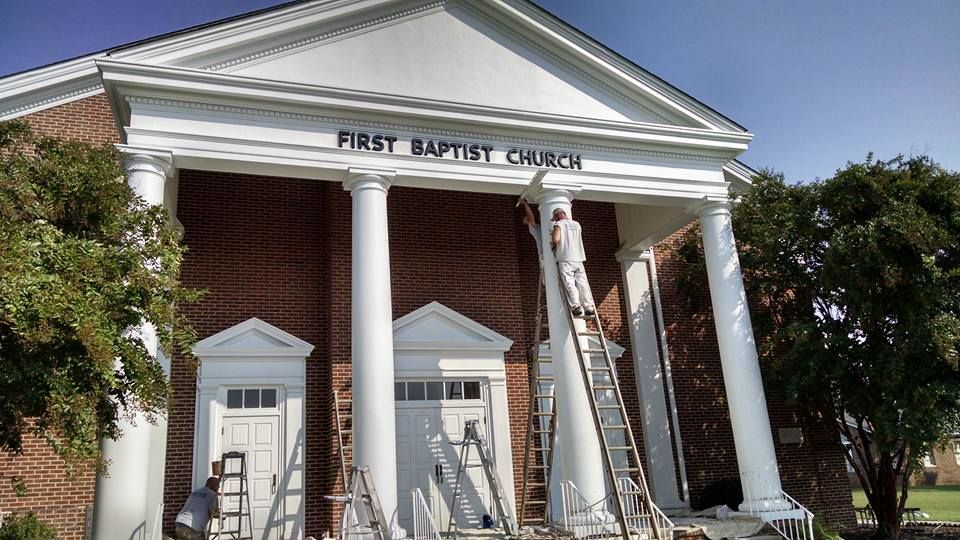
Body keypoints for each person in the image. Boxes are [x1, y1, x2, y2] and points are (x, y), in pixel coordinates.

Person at [550, 207, 596, 317]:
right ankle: (588, 306)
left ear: (557, 216)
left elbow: (556, 239)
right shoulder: (577, 224)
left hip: (565, 258)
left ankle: (576, 306)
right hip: (579, 258)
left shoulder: (559, 225)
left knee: (569, 282)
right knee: (582, 282)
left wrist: (552, 239)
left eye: (555, 218)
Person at [175, 476, 220, 540]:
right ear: (211, 485)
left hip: (179, 524)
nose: (219, 487)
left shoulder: (195, 492)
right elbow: (214, 513)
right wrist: (222, 515)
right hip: (191, 528)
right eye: (217, 485)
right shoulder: (213, 495)